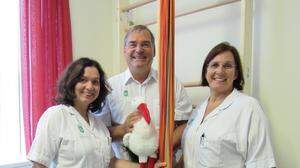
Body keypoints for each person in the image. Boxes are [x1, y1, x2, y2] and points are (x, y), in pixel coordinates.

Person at [27, 57, 144, 168]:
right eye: (83, 80)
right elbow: (39, 164)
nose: (90, 86)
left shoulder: (99, 125)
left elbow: (112, 163)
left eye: (95, 82)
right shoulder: (56, 115)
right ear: (71, 82)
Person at [100, 25, 193, 161]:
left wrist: (160, 148)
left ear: (154, 51)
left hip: (163, 163)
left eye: (145, 44)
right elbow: (98, 133)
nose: (139, 49)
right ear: (124, 50)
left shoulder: (171, 83)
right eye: (133, 44)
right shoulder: (109, 87)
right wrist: (123, 129)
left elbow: (185, 124)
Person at [182, 42, 276, 167]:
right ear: (206, 72)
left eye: (227, 66)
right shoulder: (198, 110)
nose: (220, 71)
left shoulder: (249, 107)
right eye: (214, 65)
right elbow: (190, 155)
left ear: (236, 74)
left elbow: (261, 163)